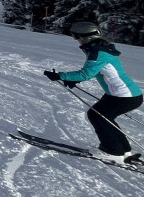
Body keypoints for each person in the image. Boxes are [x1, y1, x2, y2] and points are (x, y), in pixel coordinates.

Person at [44, 21, 143, 163]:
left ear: (85, 37)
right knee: (104, 116)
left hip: (124, 96)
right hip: (123, 94)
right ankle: (123, 150)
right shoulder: (98, 49)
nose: (76, 40)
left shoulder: (98, 52)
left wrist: (60, 75)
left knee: (98, 116)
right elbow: (97, 71)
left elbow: (85, 74)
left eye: (76, 37)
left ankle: (113, 151)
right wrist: (73, 80)